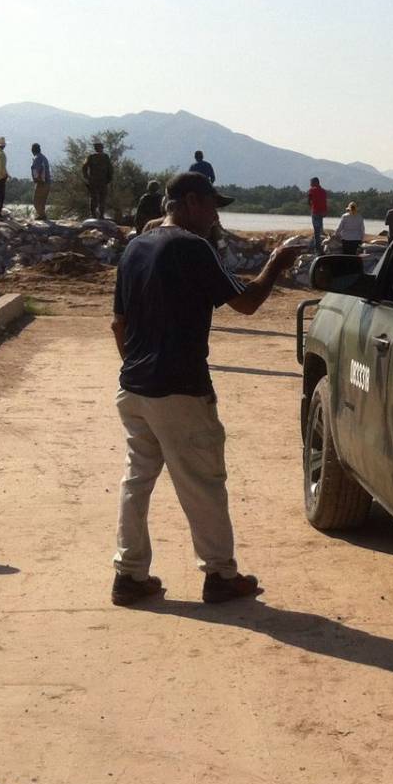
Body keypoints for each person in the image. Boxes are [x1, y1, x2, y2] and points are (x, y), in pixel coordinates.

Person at [109, 171, 302, 606]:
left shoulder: (135, 247)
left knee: (136, 482)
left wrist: (137, 370)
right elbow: (247, 303)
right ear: (191, 202)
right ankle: (219, 574)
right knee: (203, 483)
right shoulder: (192, 247)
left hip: (134, 388)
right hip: (179, 388)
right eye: (213, 205)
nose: (216, 215)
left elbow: (117, 324)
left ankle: (129, 574)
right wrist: (276, 264)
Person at [81, 141, 113, 218]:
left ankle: (99, 215)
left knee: (100, 198)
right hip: (95, 181)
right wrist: (87, 177)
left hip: (101, 181)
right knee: (96, 198)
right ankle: (95, 214)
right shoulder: (92, 157)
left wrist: (109, 179)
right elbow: (84, 167)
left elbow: (110, 169)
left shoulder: (105, 157)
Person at [30, 143, 52, 221]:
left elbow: (38, 171)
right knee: (42, 201)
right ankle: (42, 215)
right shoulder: (43, 158)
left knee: (36, 201)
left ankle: (42, 215)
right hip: (47, 182)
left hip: (41, 182)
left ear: (33, 150)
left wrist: (37, 180)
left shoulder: (37, 158)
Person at [307, 177, 328, 254]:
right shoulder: (323, 191)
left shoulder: (312, 190)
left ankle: (318, 249)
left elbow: (309, 201)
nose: (310, 184)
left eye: (311, 182)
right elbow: (324, 202)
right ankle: (318, 245)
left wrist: (311, 206)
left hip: (315, 212)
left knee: (316, 231)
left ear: (315, 182)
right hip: (322, 212)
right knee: (319, 229)